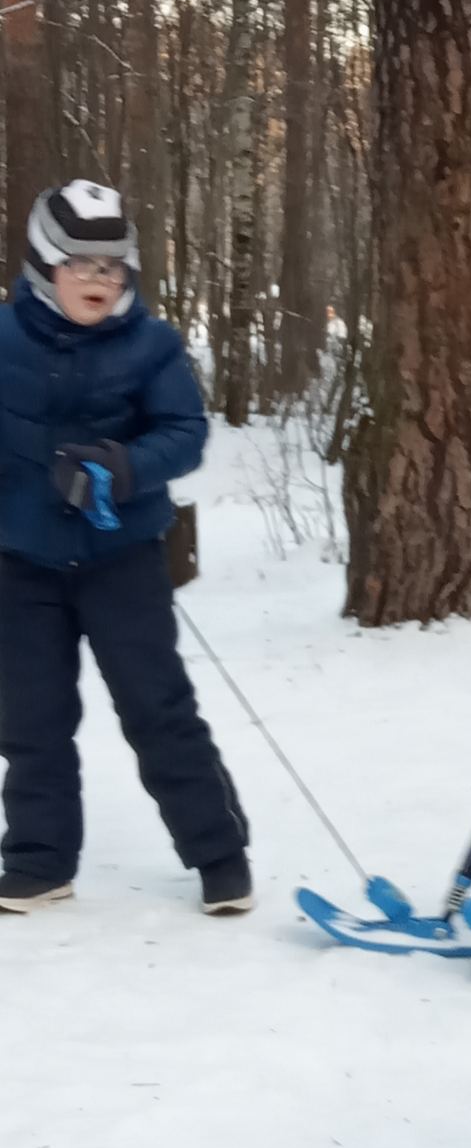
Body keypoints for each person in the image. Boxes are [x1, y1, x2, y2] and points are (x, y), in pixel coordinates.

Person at [0, 180, 253, 914]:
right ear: (46, 266)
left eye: (111, 267)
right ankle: (41, 860)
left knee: (157, 708)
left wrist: (124, 465)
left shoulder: (153, 344)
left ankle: (219, 855)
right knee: (31, 718)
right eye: (79, 264)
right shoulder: (6, 339)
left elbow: (186, 434)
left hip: (123, 559)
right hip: (21, 563)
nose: (96, 281)